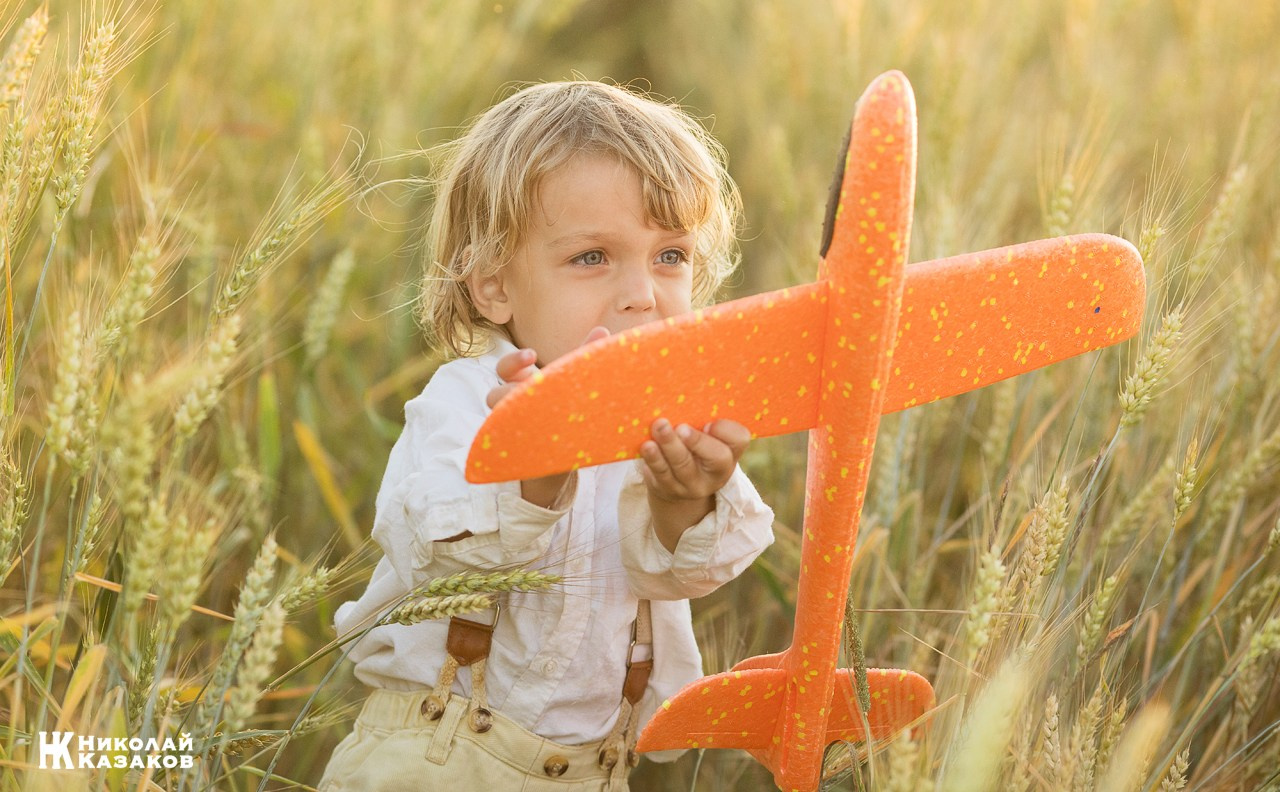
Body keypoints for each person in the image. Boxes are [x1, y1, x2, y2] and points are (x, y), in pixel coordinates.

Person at [319, 81, 775, 792]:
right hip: (433, 758)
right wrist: (533, 466)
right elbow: (433, 552)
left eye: (670, 256)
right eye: (592, 257)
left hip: (593, 773)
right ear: (494, 285)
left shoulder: (672, 425)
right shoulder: (465, 402)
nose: (643, 294)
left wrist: (685, 499)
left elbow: (693, 571)